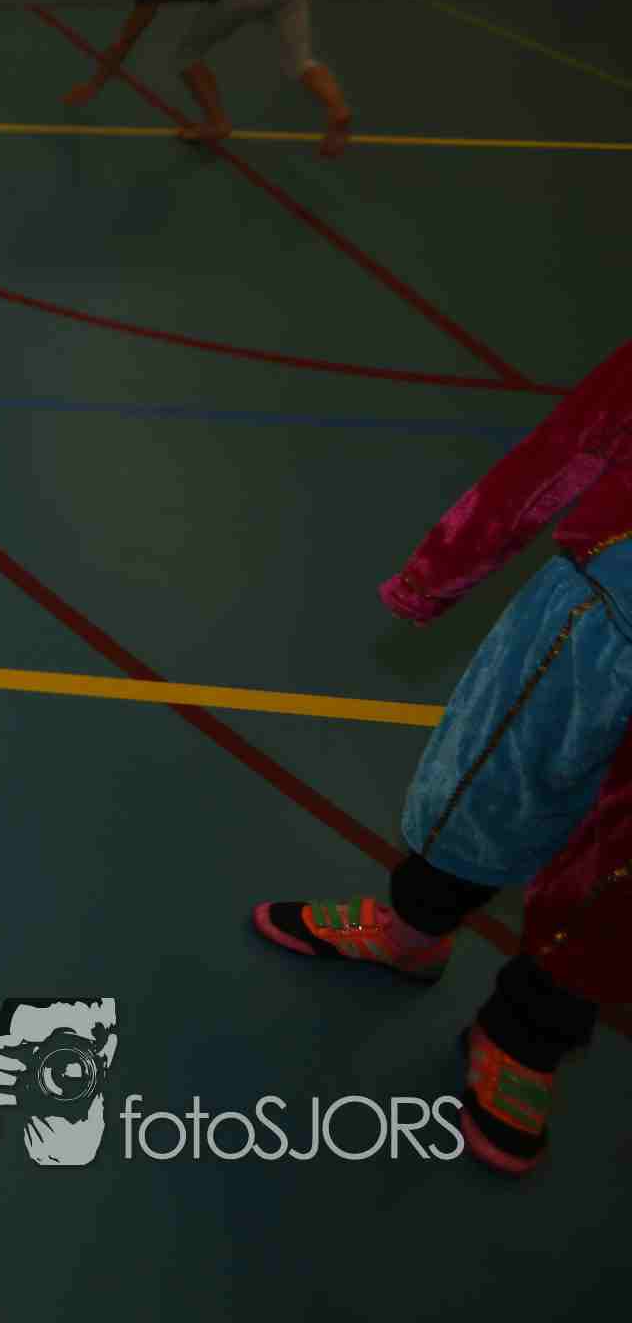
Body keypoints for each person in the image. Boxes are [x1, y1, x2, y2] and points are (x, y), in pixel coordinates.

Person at [251, 338, 632, 1176]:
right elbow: (568, 443)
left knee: (617, 889)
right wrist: (440, 571)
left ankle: (527, 1037)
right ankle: (411, 929)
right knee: (493, 788)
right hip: (600, 626)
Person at [23, 0, 353, 156]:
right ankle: (336, 108)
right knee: (300, 61)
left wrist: (94, 84)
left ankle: (217, 122)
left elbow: (124, 43)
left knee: (186, 55)